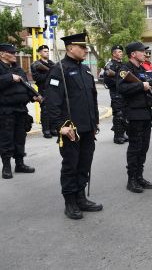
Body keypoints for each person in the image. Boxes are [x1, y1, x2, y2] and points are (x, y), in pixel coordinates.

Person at [45, 33, 103, 220]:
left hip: (87, 128)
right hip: (70, 130)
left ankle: (81, 197)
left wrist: (95, 122)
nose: (86, 50)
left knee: (84, 164)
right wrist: (59, 126)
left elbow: (92, 99)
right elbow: (52, 102)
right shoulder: (58, 70)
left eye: (86, 47)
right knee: (71, 166)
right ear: (70, 48)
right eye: (82, 47)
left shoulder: (85, 71)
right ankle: (70, 202)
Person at [117, 41, 152, 193]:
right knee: (135, 148)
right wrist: (140, 85)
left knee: (144, 147)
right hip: (133, 114)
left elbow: (146, 93)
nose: (145, 54)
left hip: (145, 114)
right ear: (133, 54)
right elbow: (121, 88)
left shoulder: (142, 70)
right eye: (142, 51)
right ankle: (131, 180)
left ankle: (139, 176)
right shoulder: (124, 69)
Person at [0, 43, 40, 179]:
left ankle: (20, 163)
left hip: (21, 109)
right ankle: (6, 167)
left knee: (20, 137)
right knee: (6, 138)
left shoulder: (18, 68)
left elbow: (26, 87)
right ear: (2, 54)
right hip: (5, 110)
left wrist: (34, 97)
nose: (15, 55)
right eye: (12, 53)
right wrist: (9, 77)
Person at [31, 44, 56, 138]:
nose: (47, 53)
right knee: (45, 110)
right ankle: (46, 130)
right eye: (45, 51)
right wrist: (49, 73)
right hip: (43, 89)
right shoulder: (36, 64)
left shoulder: (52, 63)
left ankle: (53, 128)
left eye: (47, 51)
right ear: (40, 53)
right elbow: (37, 77)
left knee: (54, 109)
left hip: (53, 89)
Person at [104, 45, 127, 144]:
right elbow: (107, 81)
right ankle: (117, 136)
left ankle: (122, 133)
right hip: (116, 93)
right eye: (119, 52)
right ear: (113, 54)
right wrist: (120, 81)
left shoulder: (123, 65)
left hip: (124, 93)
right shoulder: (110, 65)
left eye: (121, 52)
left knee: (125, 114)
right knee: (118, 114)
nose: (121, 53)